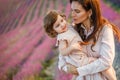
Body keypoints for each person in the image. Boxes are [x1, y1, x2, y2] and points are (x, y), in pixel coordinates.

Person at [43, 10, 118, 80]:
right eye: (57, 25)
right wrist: (72, 48)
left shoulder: (70, 27)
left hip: (80, 59)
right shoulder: (62, 38)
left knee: (101, 65)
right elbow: (62, 54)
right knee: (98, 63)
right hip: (79, 59)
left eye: (62, 21)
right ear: (53, 31)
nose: (62, 25)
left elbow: (106, 62)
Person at [60, 0, 120, 80]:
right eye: (72, 10)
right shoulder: (71, 30)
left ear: (89, 12)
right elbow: (62, 61)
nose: (72, 14)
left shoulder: (105, 29)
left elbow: (106, 62)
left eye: (77, 11)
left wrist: (79, 70)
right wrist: (67, 68)